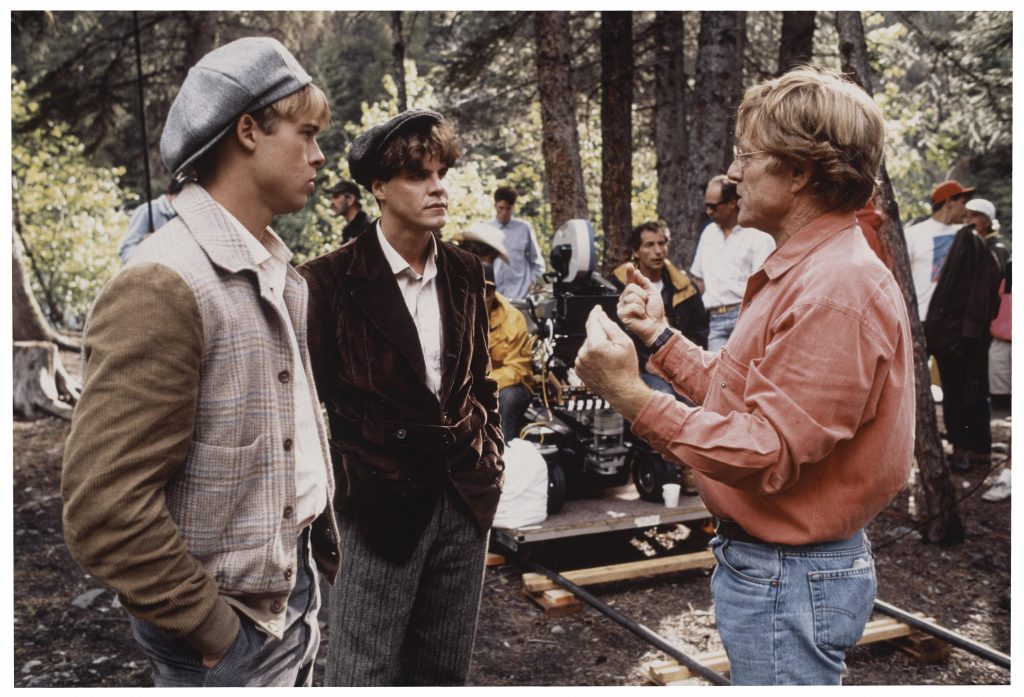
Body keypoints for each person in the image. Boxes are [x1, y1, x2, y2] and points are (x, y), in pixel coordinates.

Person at [575, 67, 913, 685]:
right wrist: (659, 338)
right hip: (780, 569)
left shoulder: (835, 288)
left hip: (791, 574)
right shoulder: (807, 270)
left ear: (800, 170)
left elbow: (765, 451)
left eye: (747, 155)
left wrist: (628, 395)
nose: (733, 174)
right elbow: (746, 402)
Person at [61, 37, 339, 687]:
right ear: (248, 130)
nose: (320, 154)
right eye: (305, 133)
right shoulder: (164, 281)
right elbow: (104, 508)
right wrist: (213, 631)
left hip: (286, 591)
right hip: (228, 630)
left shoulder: (275, 271)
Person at [298, 109, 504, 686]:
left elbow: (482, 383)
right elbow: (307, 405)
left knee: (442, 672)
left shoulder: (465, 271)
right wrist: (334, 507)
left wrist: (490, 465)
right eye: (419, 175)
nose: (437, 186)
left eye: (442, 172)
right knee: (363, 672)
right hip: (376, 503)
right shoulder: (327, 281)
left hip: (464, 496)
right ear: (379, 188)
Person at [924, 216, 1002, 473]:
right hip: (973, 335)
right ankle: (979, 450)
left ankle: (964, 451)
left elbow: (956, 295)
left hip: (960, 337)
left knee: (960, 394)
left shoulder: (974, 247)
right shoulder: (985, 251)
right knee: (975, 393)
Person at [452, 222, 535, 444]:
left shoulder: (512, 318)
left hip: (498, 387)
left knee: (508, 397)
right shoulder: (448, 308)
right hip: (457, 388)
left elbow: (518, 369)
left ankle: (500, 455)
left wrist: (481, 385)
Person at [609, 221, 708, 395]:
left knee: (700, 400)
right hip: (637, 369)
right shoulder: (617, 286)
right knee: (664, 396)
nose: (658, 251)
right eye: (649, 245)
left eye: (661, 243)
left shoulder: (685, 288)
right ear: (635, 251)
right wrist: (644, 362)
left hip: (680, 367)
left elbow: (699, 331)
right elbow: (614, 334)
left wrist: (680, 362)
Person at [690, 175, 775, 350]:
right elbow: (699, 280)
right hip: (714, 320)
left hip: (745, 317)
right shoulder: (708, 234)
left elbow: (764, 285)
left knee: (743, 373)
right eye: (706, 206)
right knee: (717, 374)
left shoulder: (758, 235)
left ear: (732, 203)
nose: (708, 212)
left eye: (713, 206)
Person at [905, 179, 974, 321]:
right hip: (920, 317)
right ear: (949, 202)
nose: (965, 209)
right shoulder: (913, 234)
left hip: (951, 322)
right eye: (962, 202)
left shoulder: (965, 236)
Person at [490, 186, 546, 300]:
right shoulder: (485, 229)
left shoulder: (524, 228)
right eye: (501, 208)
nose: (504, 212)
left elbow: (537, 262)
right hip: (493, 298)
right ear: (494, 206)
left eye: (508, 208)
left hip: (519, 298)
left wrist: (530, 283)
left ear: (513, 208)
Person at [117, 176, 184, 263]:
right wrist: (146, 249)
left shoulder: (184, 215)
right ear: (173, 194)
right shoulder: (146, 211)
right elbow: (125, 251)